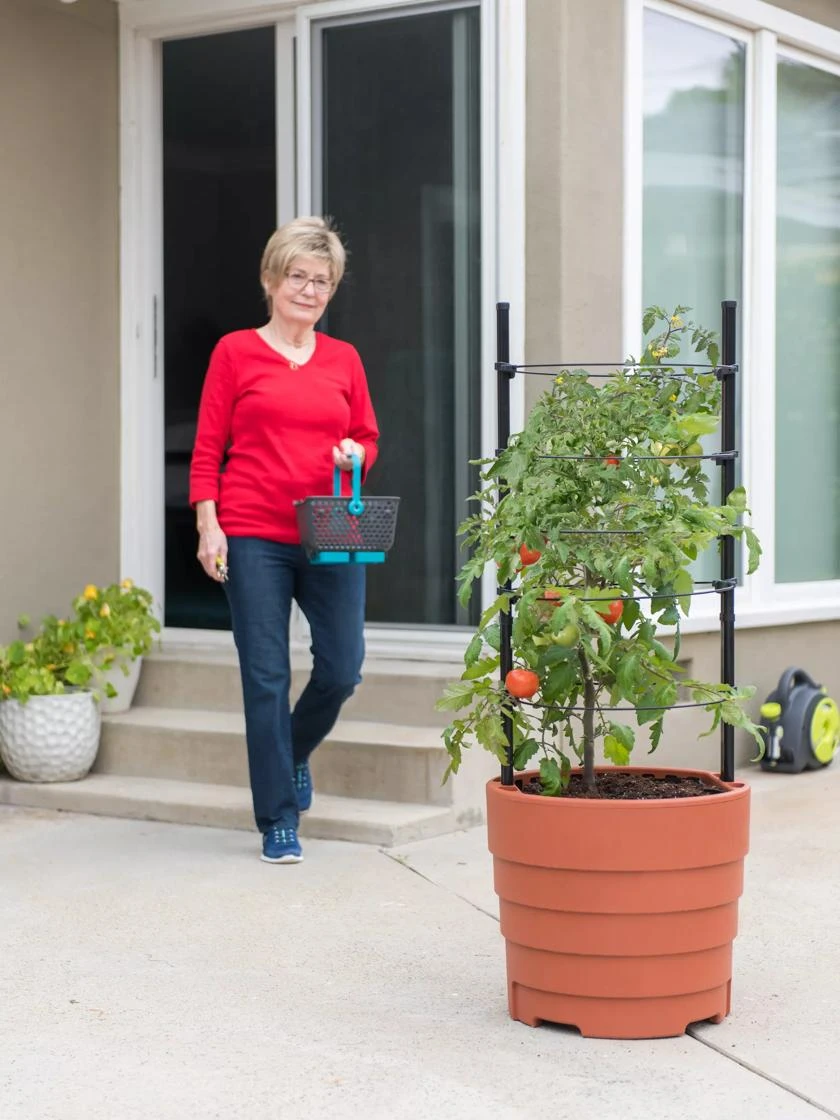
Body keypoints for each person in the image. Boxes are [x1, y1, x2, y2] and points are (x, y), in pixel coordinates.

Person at [189, 217, 379, 865]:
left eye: (321, 280)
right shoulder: (235, 352)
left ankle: (292, 751)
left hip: (330, 526)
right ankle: (277, 816)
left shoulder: (344, 359)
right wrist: (207, 523)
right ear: (272, 280)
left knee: (342, 667)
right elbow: (209, 445)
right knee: (265, 675)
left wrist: (358, 452)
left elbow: (368, 436)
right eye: (297, 276)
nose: (309, 289)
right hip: (251, 533)